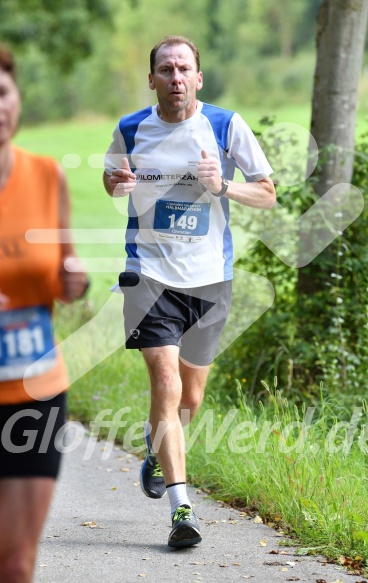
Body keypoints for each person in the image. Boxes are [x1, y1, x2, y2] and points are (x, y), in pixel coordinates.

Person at [103, 35, 276, 548]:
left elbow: (267, 194)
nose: (175, 78)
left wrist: (223, 186)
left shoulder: (225, 126)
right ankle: (182, 510)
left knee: (191, 396)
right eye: (166, 69)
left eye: (184, 69)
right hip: (147, 273)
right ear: (151, 79)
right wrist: (116, 182)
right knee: (166, 384)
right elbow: (113, 181)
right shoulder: (131, 128)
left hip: (209, 278)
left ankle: (158, 449)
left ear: (198, 78)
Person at [0, 45, 89, 582]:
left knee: (16, 564)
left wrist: (73, 280)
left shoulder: (45, 174)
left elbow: (62, 267)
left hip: (36, 392)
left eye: (3, 94)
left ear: (18, 99)